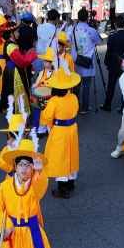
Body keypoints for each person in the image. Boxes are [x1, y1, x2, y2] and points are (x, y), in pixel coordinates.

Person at [40, 68, 81, 198]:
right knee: (71, 154)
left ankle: (63, 190)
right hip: (72, 130)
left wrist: (43, 109)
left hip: (59, 132)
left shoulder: (54, 101)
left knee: (60, 157)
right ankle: (70, 183)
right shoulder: (73, 97)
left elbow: (47, 117)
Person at [101, 15, 124, 111]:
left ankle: (107, 105)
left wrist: (106, 62)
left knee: (111, 85)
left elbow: (109, 51)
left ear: (115, 25)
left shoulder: (112, 36)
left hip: (114, 63)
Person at [70, 8, 98, 114]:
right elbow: (98, 41)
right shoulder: (91, 30)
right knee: (86, 85)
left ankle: (75, 106)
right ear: (87, 18)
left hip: (76, 60)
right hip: (87, 61)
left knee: (76, 85)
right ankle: (85, 108)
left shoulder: (72, 29)